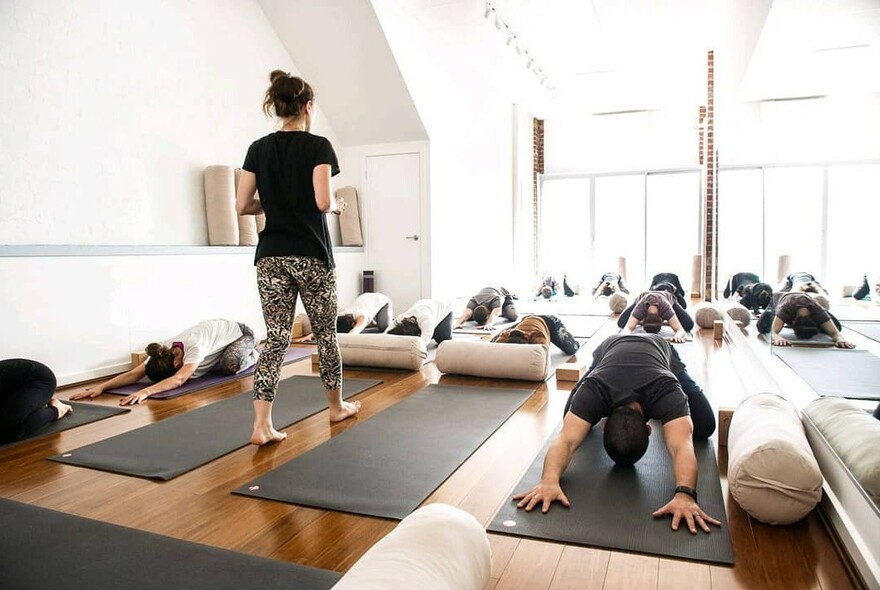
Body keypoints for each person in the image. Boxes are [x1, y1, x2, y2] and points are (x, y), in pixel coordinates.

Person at [236, 70, 359, 445]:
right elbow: (322, 201)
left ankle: (261, 426)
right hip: (311, 255)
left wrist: (274, 203)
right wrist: (336, 206)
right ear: (308, 106)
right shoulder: (318, 146)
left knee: (275, 339)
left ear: (277, 105)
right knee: (325, 335)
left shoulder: (258, 148)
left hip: (270, 256)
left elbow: (242, 205)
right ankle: (336, 407)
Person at [512, 334, 720, 535]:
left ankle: (673, 398)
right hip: (608, 350)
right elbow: (681, 445)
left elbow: (682, 446)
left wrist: (686, 494)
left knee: (704, 425)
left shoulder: (667, 389)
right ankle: (661, 412)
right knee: (570, 413)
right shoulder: (594, 390)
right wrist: (548, 480)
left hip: (660, 350)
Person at [71, 319, 258, 406]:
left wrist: (145, 391)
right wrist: (101, 387)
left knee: (230, 365)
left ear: (176, 365)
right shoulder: (162, 351)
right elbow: (133, 374)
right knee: (209, 366)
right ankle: (217, 357)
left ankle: (255, 355)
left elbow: (178, 380)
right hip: (215, 341)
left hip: (241, 334)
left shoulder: (194, 347)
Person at [0, 359, 72, 444]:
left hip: (39, 379)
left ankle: (57, 410)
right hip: (12, 387)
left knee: (10, 432)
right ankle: (35, 402)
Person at [757, 292, 854, 348]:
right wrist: (778, 338)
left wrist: (841, 339)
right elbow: (773, 332)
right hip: (777, 299)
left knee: (837, 327)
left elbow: (835, 332)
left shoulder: (817, 310)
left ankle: (823, 323)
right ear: (792, 322)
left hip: (806, 297)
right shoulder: (785, 309)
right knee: (762, 326)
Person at [617, 291, 693, 342]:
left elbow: (680, 330)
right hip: (644, 295)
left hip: (667, 296)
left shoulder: (666, 308)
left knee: (688, 324)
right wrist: (624, 336)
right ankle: (636, 320)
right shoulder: (640, 308)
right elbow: (627, 328)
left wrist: (678, 336)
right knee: (621, 323)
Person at [491, 315, 581, 355]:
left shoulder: (537, 337)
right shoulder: (506, 335)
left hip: (549, 322)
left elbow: (543, 353)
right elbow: (495, 349)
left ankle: (574, 341)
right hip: (526, 320)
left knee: (571, 349)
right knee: (492, 342)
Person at [387, 299, 454, 346]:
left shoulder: (427, 321)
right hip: (425, 306)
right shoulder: (402, 318)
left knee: (443, 340)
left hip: (444, 312)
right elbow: (387, 333)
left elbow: (422, 344)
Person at [453, 287, 517, 330]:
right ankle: (495, 310)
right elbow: (467, 312)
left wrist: (489, 323)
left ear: (489, 312)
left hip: (504, 296)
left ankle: (502, 310)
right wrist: (458, 323)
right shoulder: (474, 300)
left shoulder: (495, 299)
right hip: (486, 296)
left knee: (513, 316)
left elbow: (496, 313)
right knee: (466, 317)